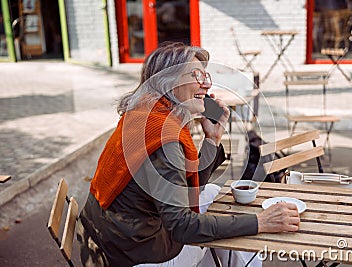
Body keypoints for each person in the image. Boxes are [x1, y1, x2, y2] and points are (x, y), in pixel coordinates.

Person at [77, 42, 300, 267]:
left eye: (205, 75)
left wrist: (212, 139)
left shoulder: (148, 113)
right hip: (137, 254)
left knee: (214, 194)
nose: (206, 84)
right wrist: (260, 222)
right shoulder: (163, 139)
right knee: (231, 232)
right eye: (196, 75)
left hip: (117, 237)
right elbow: (182, 226)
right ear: (169, 83)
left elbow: (189, 188)